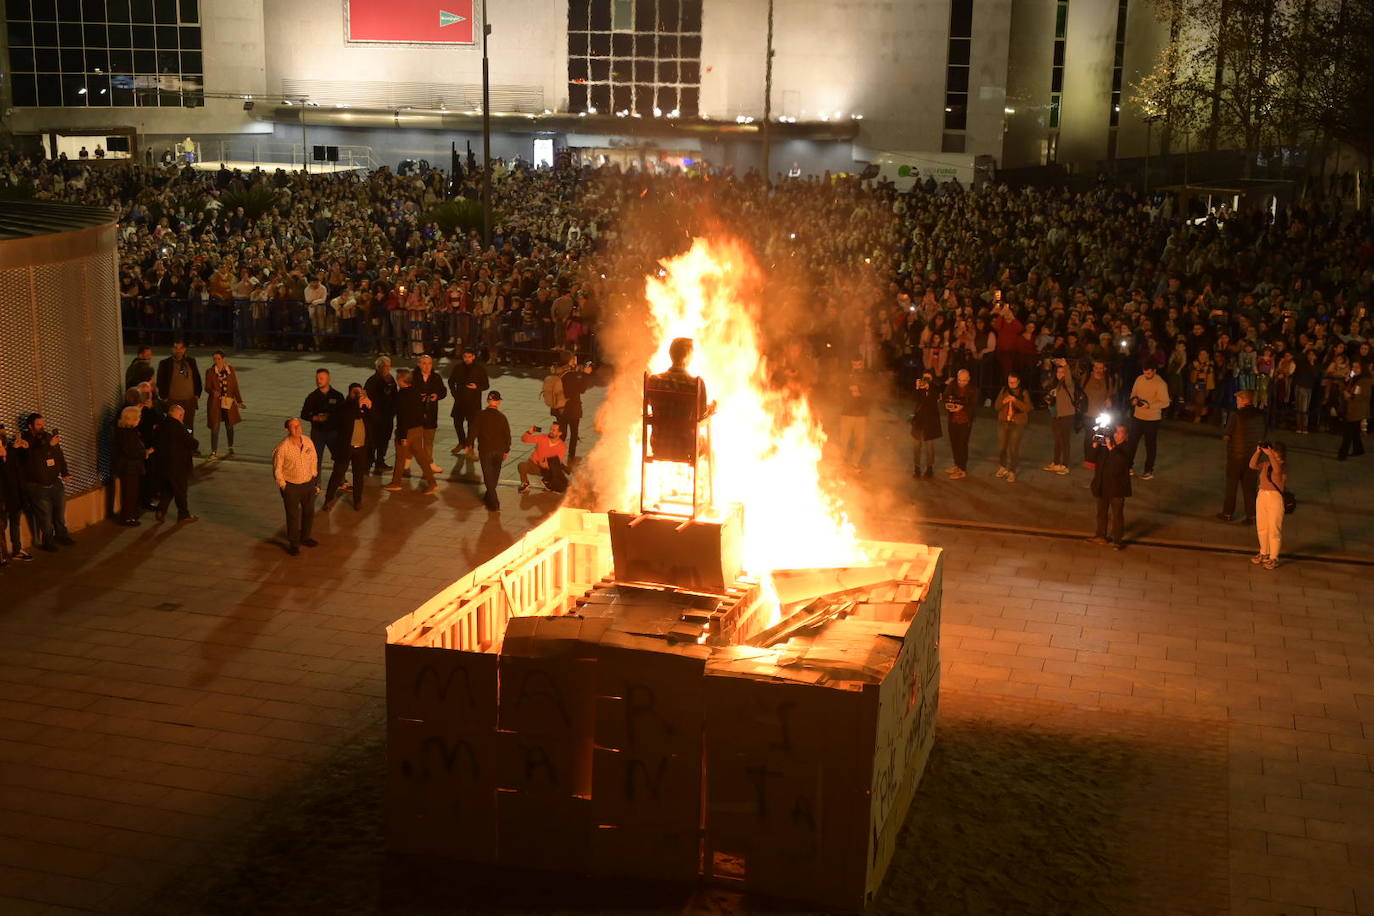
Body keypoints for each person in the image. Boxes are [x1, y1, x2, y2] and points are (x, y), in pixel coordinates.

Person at [13, 414, 73, 552]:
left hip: (55, 483)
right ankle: (48, 541)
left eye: (43, 423)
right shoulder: (25, 441)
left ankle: (62, 535)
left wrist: (64, 472)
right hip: (38, 486)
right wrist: (49, 446)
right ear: (30, 426)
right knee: (45, 516)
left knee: (59, 513)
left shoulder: (47, 437)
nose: (42, 426)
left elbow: (58, 454)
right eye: (39, 424)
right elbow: (32, 458)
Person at [384, 369, 438, 495]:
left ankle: (396, 483)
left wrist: (402, 436)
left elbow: (403, 417)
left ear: (401, 381)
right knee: (422, 458)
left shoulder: (401, 395)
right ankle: (432, 482)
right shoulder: (415, 391)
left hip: (406, 431)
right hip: (418, 430)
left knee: (400, 458)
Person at [272, 417, 319, 556]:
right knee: (293, 515)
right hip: (292, 486)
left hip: (308, 484)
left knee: (309, 512)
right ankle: (294, 543)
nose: (298, 429)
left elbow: (314, 458)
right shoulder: (282, 448)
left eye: (299, 425)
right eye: (294, 427)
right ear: (287, 430)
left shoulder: (308, 441)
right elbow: (277, 469)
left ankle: (305, 537)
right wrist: (283, 486)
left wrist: (313, 475)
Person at [323, 383, 372, 511]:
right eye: (354, 392)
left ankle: (358, 500)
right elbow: (348, 417)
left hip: (360, 447)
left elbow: (373, 420)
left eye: (359, 393)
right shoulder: (344, 407)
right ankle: (328, 499)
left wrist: (370, 407)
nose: (357, 395)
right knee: (338, 473)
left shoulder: (364, 407)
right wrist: (358, 404)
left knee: (358, 476)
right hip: (346, 448)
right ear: (349, 393)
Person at [1218, 390, 1265, 522]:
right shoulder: (1261, 415)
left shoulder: (1236, 415)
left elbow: (1226, 435)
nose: (1237, 402)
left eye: (1238, 400)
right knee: (1250, 487)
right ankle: (1251, 515)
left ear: (1245, 400)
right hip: (1253, 457)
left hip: (1236, 456)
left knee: (1231, 486)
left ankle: (1228, 513)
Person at [1088, 423, 1132, 550]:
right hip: (1103, 485)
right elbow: (1092, 458)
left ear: (1126, 435)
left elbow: (1122, 463)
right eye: (1115, 432)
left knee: (1117, 514)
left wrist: (1111, 449)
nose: (1116, 435)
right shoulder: (1106, 446)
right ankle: (1100, 535)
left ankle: (1117, 540)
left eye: (1120, 432)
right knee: (1101, 513)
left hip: (1117, 487)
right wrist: (1095, 446)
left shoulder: (1127, 448)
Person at [152, 404, 198, 523]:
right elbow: (192, 443)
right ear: (180, 415)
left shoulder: (162, 424)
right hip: (178, 464)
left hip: (163, 463)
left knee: (168, 488)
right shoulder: (178, 427)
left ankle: (161, 509)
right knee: (180, 490)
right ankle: (183, 514)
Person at [1250, 442, 1288, 570]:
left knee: (1274, 529)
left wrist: (1270, 454)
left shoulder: (1283, 467)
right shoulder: (1266, 464)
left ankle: (1274, 557)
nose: (1273, 458)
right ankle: (1263, 552)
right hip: (1262, 495)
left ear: (1282, 457)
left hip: (1275, 498)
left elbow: (1277, 471)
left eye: (1276, 456)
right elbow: (1252, 465)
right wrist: (1258, 451)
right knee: (1262, 527)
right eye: (1272, 455)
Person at [301, 368, 345, 477]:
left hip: (333, 432)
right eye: (317, 379)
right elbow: (304, 414)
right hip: (318, 432)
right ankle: (316, 482)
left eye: (321, 378)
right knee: (316, 458)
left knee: (339, 457)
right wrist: (315, 418)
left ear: (328, 379)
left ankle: (340, 480)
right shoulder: (312, 397)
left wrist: (330, 417)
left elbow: (343, 413)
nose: (318, 381)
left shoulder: (337, 395)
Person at [1126, 365, 1168, 479]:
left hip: (1152, 419)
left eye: (1149, 373)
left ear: (1154, 370)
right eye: (1144, 373)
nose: (1146, 375)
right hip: (1137, 416)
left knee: (1150, 445)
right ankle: (1128, 467)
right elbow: (1133, 393)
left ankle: (1148, 470)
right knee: (1131, 443)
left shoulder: (1160, 384)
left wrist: (1150, 405)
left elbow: (1165, 402)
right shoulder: (1139, 379)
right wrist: (1133, 399)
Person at [472, 390, 511, 510]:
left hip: (485, 449)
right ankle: (489, 496)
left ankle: (494, 502)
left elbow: (473, 430)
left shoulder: (480, 415)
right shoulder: (502, 417)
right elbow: (507, 435)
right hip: (499, 450)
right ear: (498, 402)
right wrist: (506, 450)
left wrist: (469, 444)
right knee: (494, 475)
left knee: (488, 475)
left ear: (488, 401)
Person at [113, 406, 152, 526]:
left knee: (131, 493)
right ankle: (127, 518)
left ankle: (130, 515)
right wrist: (145, 452)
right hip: (129, 468)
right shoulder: (127, 433)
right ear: (132, 419)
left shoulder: (125, 431)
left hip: (129, 467)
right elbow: (131, 451)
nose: (140, 419)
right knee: (130, 493)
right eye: (138, 417)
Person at [204, 350, 245, 459]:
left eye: (218, 359)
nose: (216, 361)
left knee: (229, 425)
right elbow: (207, 387)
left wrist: (239, 401)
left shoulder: (230, 370)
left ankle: (230, 446)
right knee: (215, 427)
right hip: (215, 402)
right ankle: (214, 452)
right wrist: (213, 392)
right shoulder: (210, 371)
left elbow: (235, 386)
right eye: (214, 359)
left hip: (227, 401)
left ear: (223, 359)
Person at [411, 354, 447, 474]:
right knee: (413, 440)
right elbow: (406, 392)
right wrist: (417, 397)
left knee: (428, 441)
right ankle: (406, 462)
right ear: (419, 364)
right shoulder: (413, 377)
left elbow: (443, 391)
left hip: (431, 413)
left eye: (429, 363)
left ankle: (429, 463)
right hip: (416, 414)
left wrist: (437, 396)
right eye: (424, 363)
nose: (427, 366)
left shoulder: (436, 377)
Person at [156, 341, 202, 434]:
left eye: (181, 348)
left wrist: (197, 394)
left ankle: (189, 444)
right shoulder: (165, 363)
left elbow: (197, 378)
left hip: (189, 401)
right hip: (173, 401)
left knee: (189, 426)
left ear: (184, 349)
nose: (178, 351)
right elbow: (160, 381)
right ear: (172, 349)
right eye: (176, 348)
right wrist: (164, 397)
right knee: (174, 425)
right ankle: (175, 445)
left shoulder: (191, 361)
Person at [447, 347, 488, 453]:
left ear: (473, 357)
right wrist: (455, 394)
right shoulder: (458, 368)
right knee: (457, 423)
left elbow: (486, 385)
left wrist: (476, 387)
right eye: (465, 357)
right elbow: (451, 381)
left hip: (473, 402)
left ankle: (470, 447)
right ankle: (462, 442)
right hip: (460, 400)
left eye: (469, 357)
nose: (467, 359)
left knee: (472, 426)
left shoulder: (479, 369)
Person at [994, 372, 1033, 482]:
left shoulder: (1023, 392)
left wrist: (1016, 401)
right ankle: (1002, 466)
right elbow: (996, 406)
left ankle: (1012, 471)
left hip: (1017, 423)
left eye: (1013, 382)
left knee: (1013, 448)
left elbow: (1028, 408)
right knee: (1002, 447)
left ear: (1018, 381)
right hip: (1003, 422)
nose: (1011, 384)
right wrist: (1004, 401)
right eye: (1009, 382)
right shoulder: (1004, 390)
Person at [364, 356, 397, 472]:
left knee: (384, 440)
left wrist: (393, 411)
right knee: (373, 441)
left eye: (389, 366)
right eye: (385, 367)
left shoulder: (391, 380)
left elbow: (394, 396)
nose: (388, 369)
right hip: (375, 419)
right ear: (379, 368)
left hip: (387, 417)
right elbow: (367, 400)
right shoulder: (372, 381)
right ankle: (368, 464)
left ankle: (380, 461)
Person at [0, 424, 28, 562]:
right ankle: (3, 555)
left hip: (14, 494)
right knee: (2, 526)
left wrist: (23, 448)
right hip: (3, 497)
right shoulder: (7, 452)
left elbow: (19, 464)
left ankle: (17, 549)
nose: (3, 435)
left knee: (15, 523)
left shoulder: (10, 450)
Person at [1044, 361, 1077, 475]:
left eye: (1063, 372)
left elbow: (1068, 379)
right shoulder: (1056, 384)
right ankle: (1056, 462)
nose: (1060, 374)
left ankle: (1065, 465)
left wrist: (1066, 365)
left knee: (1065, 440)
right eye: (1058, 371)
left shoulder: (1069, 383)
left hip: (1066, 415)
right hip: (1056, 415)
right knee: (1057, 440)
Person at [838, 357, 871, 469]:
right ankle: (842, 462)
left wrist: (860, 391)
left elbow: (873, 393)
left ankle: (854, 463)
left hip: (862, 414)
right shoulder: (846, 376)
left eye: (859, 364)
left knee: (860, 442)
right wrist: (849, 393)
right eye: (854, 364)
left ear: (862, 364)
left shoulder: (868, 377)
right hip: (847, 413)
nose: (856, 367)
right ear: (851, 364)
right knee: (844, 440)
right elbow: (840, 391)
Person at [944, 368, 977, 479]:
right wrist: (949, 406)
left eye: (964, 380)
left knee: (962, 445)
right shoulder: (952, 386)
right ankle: (957, 465)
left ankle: (962, 469)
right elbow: (945, 397)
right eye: (960, 380)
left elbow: (974, 406)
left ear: (969, 379)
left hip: (965, 421)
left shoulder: (973, 390)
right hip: (953, 420)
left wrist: (962, 407)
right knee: (954, 443)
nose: (962, 383)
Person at [518, 421, 569, 493]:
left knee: (558, 471)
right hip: (534, 465)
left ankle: (546, 481)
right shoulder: (542, 437)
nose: (550, 431)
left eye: (553, 430)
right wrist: (529, 432)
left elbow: (558, 461)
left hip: (547, 469)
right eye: (550, 429)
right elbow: (525, 439)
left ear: (560, 433)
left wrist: (547, 465)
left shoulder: (562, 446)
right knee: (521, 466)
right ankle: (525, 483)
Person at [559, 358, 593, 463]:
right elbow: (581, 389)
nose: (576, 363)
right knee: (573, 434)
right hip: (572, 408)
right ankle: (571, 457)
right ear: (570, 363)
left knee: (562, 433)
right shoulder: (571, 376)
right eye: (574, 360)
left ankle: (555, 454)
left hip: (560, 408)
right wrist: (586, 375)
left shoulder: (560, 373)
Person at [910, 371, 943, 479]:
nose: (926, 380)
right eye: (924, 378)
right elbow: (915, 399)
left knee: (929, 447)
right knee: (916, 447)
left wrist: (929, 388)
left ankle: (929, 468)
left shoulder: (935, 388)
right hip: (919, 422)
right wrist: (917, 388)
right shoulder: (919, 388)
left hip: (930, 422)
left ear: (932, 379)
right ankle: (917, 468)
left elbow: (934, 400)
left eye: (928, 378)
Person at [1081, 360, 1114, 468]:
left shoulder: (1108, 380)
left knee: (1099, 436)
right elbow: (1079, 391)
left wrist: (1109, 399)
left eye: (1101, 368)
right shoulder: (1086, 378)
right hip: (1087, 412)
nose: (1098, 370)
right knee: (1088, 436)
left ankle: (1095, 458)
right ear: (1093, 368)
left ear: (1104, 368)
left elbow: (1110, 394)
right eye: (1096, 368)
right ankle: (1088, 459)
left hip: (1101, 414)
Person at [1337, 361, 1368, 461]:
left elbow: (1358, 395)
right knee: (1354, 431)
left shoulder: (1363, 381)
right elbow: (1345, 386)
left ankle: (1342, 454)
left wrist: (1349, 396)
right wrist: (1347, 380)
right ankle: (1358, 449)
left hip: (1356, 410)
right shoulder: (1353, 378)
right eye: (1353, 367)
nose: (1354, 369)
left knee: (1348, 433)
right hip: (1352, 408)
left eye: (1357, 367)